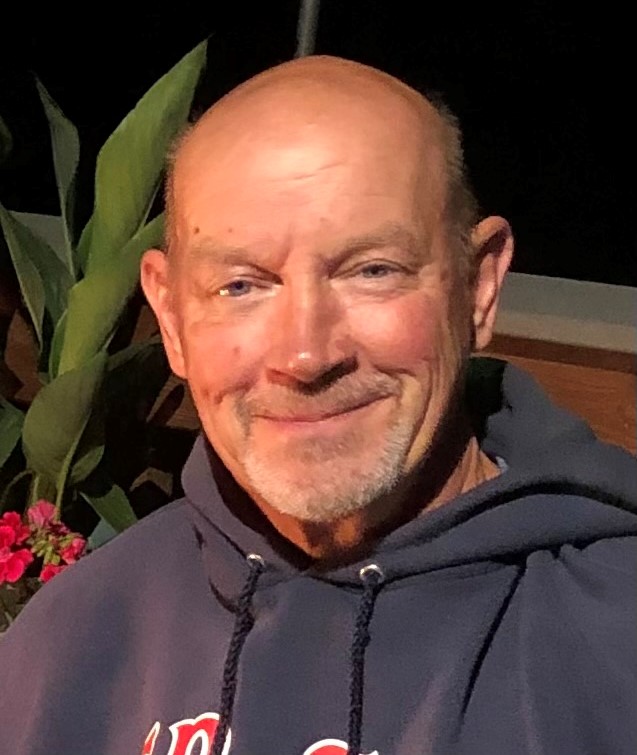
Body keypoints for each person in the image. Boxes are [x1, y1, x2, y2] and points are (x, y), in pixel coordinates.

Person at [0, 56, 635, 755]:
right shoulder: (74, 643)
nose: (305, 355)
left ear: (478, 287)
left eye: (372, 271)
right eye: (241, 286)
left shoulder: (611, 638)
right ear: (172, 317)